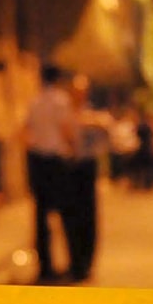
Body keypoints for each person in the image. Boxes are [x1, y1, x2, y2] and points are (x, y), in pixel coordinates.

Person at [23, 64, 75, 284]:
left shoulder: (34, 102)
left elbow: (26, 130)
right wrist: (72, 148)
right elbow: (65, 129)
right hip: (56, 160)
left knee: (40, 216)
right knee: (66, 213)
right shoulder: (61, 101)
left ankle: (45, 266)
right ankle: (71, 263)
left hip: (38, 160)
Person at [60, 74, 111, 283]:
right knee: (70, 216)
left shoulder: (93, 115)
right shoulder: (64, 113)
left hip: (87, 167)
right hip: (68, 167)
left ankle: (87, 263)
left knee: (88, 216)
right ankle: (75, 262)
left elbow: (106, 130)